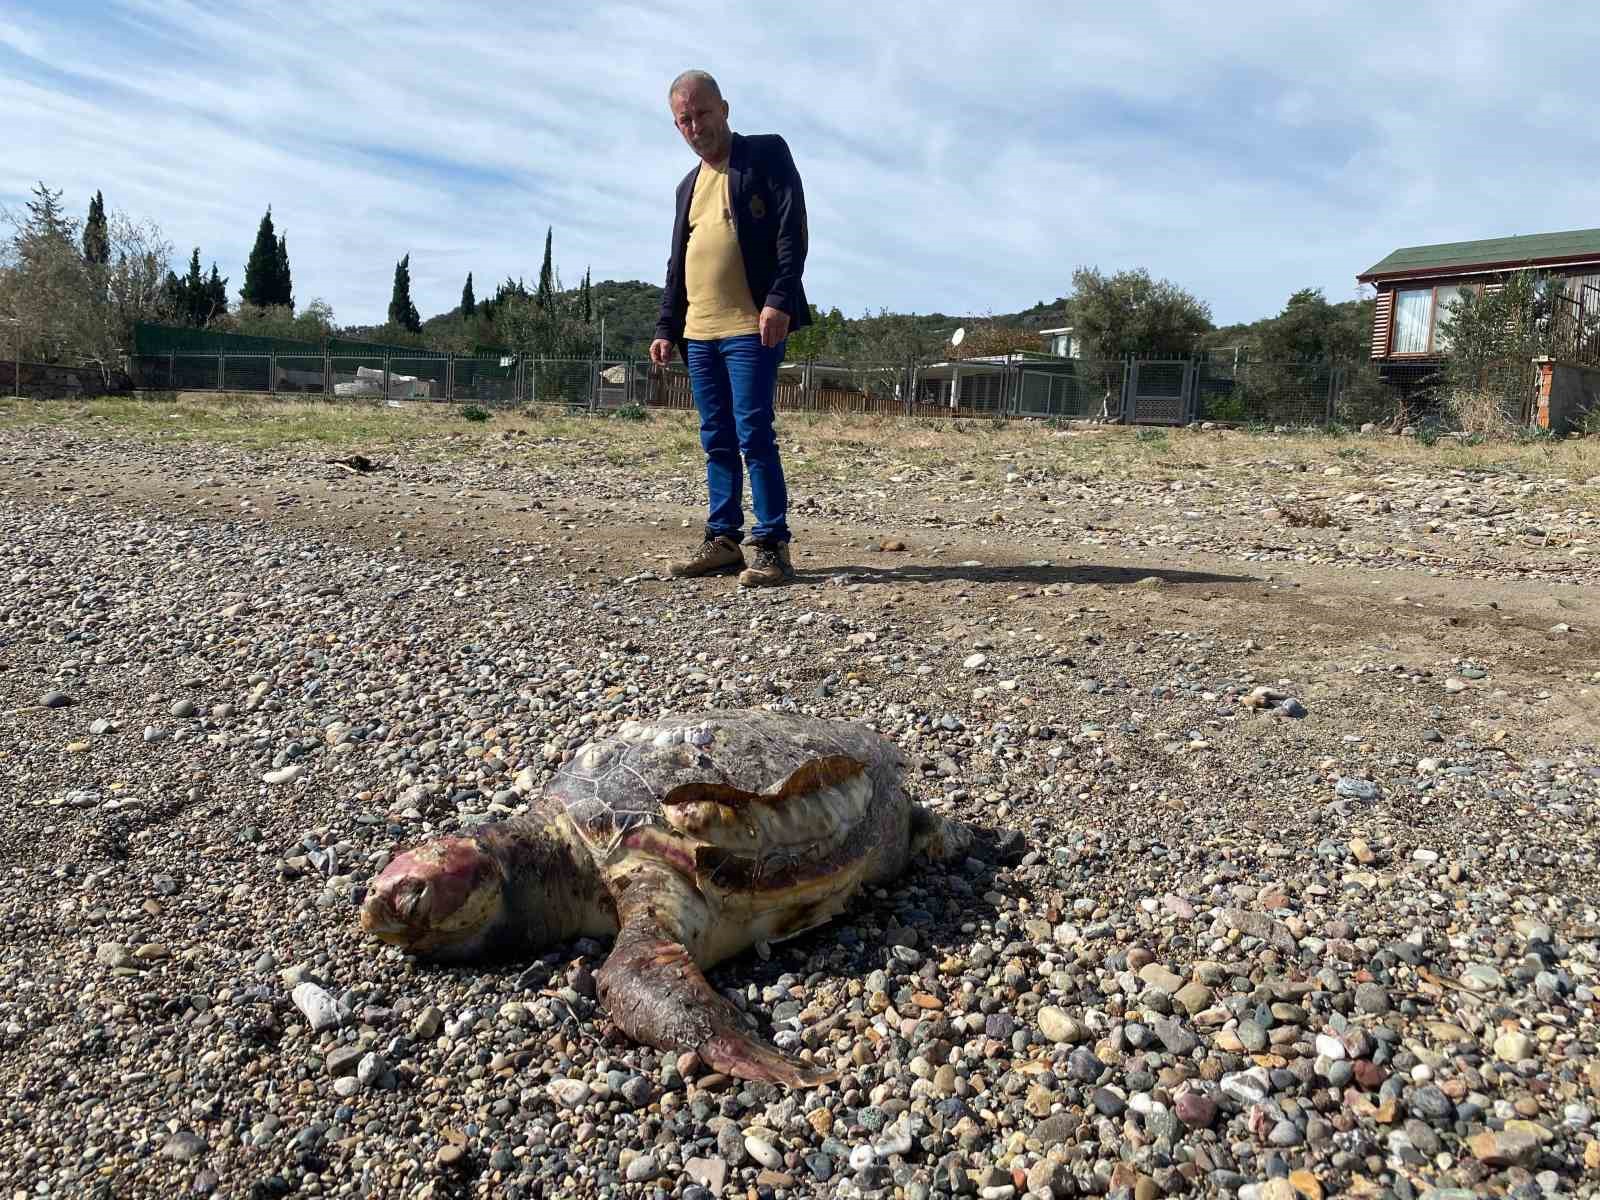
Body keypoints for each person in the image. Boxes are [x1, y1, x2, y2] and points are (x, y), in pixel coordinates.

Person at [650, 69, 811, 587]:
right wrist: (665, 325)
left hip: (751, 325)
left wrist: (780, 299)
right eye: (684, 119)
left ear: (724, 109)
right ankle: (723, 540)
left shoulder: (765, 154)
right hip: (699, 333)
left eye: (702, 113)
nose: (695, 126)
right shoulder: (687, 186)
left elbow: (792, 226)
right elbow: (679, 262)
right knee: (715, 437)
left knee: (753, 433)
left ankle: (770, 545)